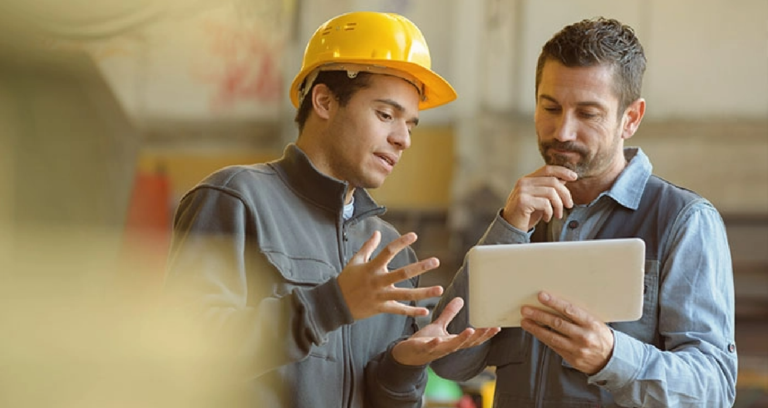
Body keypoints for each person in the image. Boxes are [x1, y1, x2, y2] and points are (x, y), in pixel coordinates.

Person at [162, 11, 499, 408]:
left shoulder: (390, 251)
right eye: (386, 115)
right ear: (323, 100)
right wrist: (330, 304)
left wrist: (404, 366)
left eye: (411, 124)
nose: (402, 139)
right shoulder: (236, 200)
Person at [430, 17, 737, 407]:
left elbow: (713, 390)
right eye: (551, 107)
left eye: (588, 113)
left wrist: (612, 356)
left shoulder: (683, 221)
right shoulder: (519, 220)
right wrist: (507, 229)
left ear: (631, 118)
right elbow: (449, 362)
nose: (563, 131)